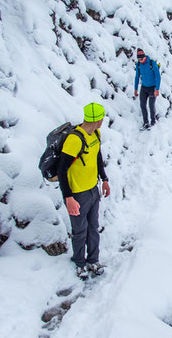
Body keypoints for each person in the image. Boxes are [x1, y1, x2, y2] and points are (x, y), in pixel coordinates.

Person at [57, 102, 110, 279]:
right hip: (77, 193)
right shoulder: (74, 140)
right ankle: (79, 262)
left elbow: (97, 156)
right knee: (80, 231)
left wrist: (104, 179)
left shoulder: (95, 133)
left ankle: (93, 260)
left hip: (93, 190)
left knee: (93, 227)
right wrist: (68, 198)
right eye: (102, 118)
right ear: (98, 119)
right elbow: (61, 170)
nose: (102, 121)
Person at [134, 48, 161, 130]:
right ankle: (146, 123)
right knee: (142, 105)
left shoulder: (151, 63)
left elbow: (158, 76)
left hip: (152, 88)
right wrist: (135, 89)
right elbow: (137, 77)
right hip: (144, 87)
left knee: (151, 105)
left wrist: (157, 89)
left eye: (141, 59)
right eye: (139, 59)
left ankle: (153, 121)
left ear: (144, 56)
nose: (140, 61)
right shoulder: (138, 65)